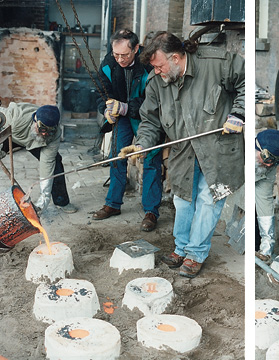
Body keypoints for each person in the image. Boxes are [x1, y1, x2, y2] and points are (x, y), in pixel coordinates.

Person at [119, 31, 245, 278]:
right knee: (183, 200)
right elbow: (150, 120)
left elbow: (246, 81)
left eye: (159, 66)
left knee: (208, 200)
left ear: (176, 58)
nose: (157, 71)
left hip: (218, 146)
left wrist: (239, 113)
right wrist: (142, 143)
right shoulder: (156, 83)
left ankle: (196, 254)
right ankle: (181, 248)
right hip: (183, 149)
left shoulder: (217, 63)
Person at [92, 29, 163, 232]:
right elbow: (101, 91)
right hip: (122, 118)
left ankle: (151, 211)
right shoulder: (108, 64)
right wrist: (106, 109)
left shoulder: (150, 65)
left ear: (136, 49)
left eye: (125, 55)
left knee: (150, 159)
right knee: (117, 156)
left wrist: (126, 106)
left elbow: (155, 100)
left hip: (146, 117)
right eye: (116, 54)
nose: (120, 59)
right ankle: (113, 204)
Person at [0, 102, 77, 214]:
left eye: (50, 131)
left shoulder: (53, 136)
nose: (46, 134)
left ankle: (61, 201)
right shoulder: (14, 117)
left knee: (55, 162)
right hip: (13, 134)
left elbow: (47, 163)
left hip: (36, 141)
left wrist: (44, 199)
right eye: (43, 129)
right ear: (35, 120)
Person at [255, 129, 279, 263]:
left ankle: (263, 251)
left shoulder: (270, 166)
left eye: (274, 161)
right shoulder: (242, 153)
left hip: (257, 178)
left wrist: (266, 249)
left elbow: (265, 200)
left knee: (260, 205)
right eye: (266, 158)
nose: (269, 164)